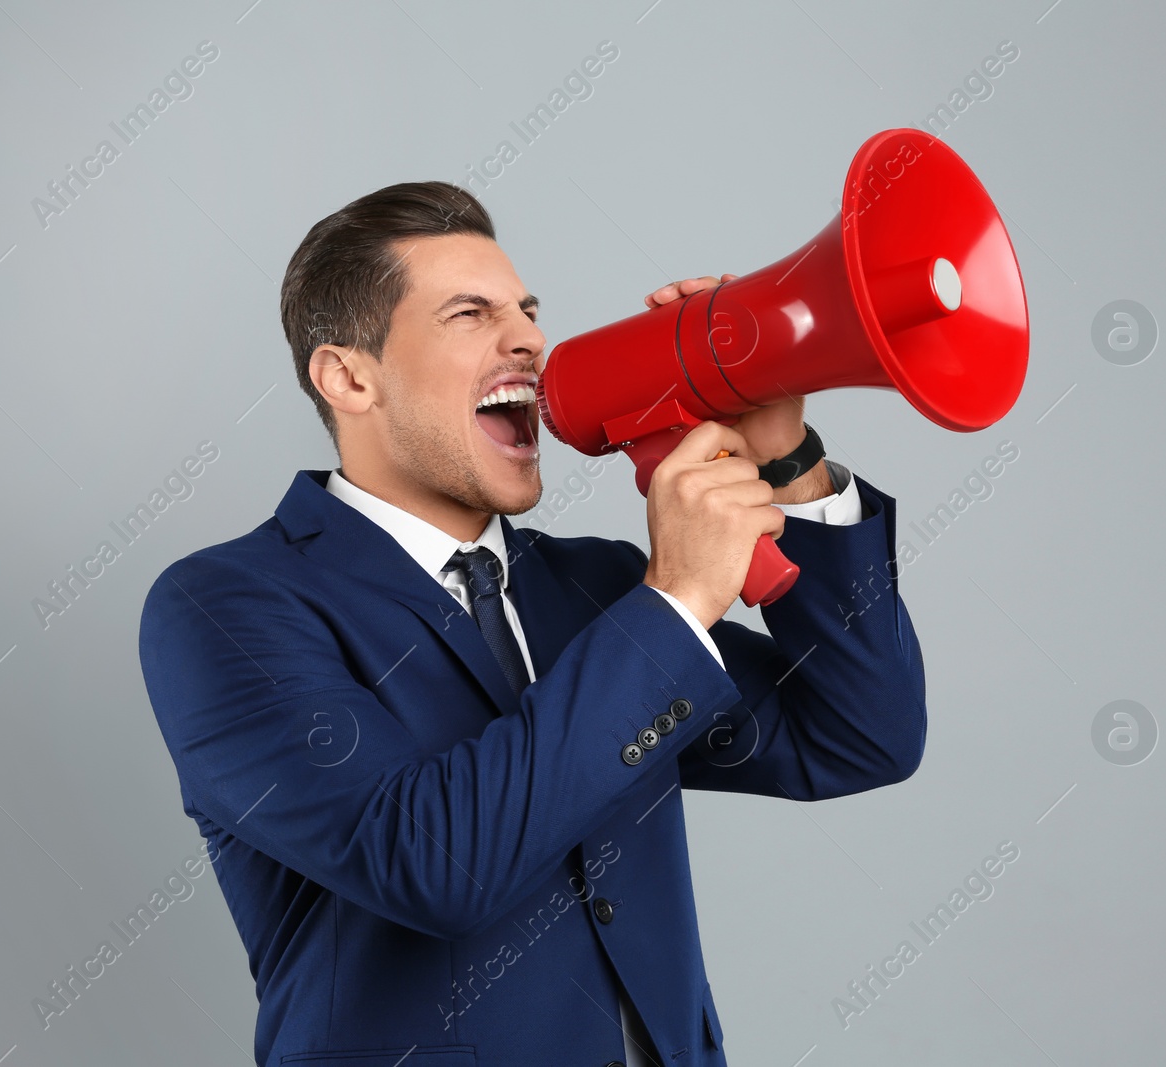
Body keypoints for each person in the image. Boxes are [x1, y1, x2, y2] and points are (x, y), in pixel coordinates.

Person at [137, 181, 926, 1066]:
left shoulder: (596, 586)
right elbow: (431, 862)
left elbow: (862, 735)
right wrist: (676, 604)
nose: (529, 339)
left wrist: (792, 462)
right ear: (349, 376)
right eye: (470, 313)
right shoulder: (227, 606)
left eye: (528, 309)